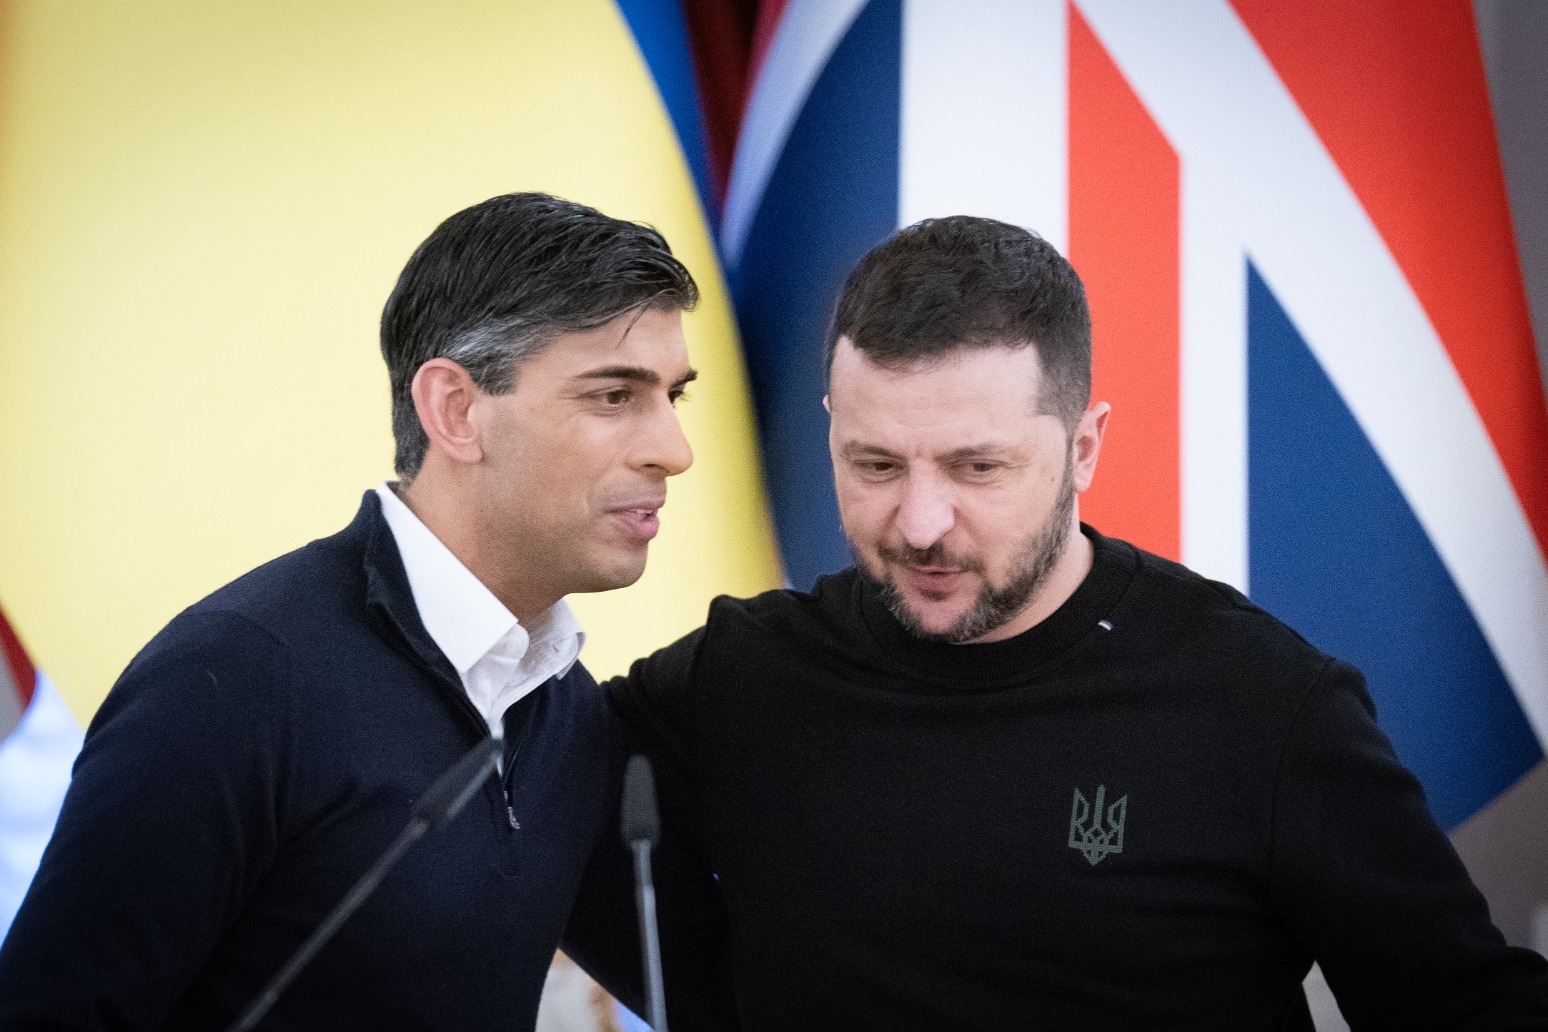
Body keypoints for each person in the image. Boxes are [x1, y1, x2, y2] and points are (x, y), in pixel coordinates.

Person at [608, 215, 1548, 1029]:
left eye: (978, 468)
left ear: (1084, 446)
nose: (921, 524)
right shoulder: (742, 677)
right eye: (876, 465)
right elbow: (531, 780)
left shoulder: (1264, 705)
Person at [0, 192, 730, 1031]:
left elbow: (727, 994)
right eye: (613, 396)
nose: (674, 451)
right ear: (455, 410)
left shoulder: (567, 716)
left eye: (674, 397)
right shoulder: (235, 681)